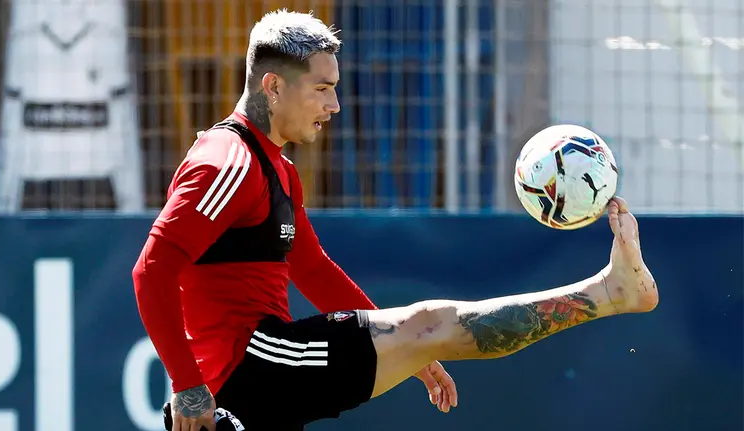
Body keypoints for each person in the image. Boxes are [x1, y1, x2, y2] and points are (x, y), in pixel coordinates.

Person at [132, 9, 659, 431]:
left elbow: (312, 269)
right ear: (272, 87)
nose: (335, 104)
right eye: (322, 88)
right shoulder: (228, 162)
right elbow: (151, 271)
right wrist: (187, 386)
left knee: (424, 331)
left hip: (257, 381)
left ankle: (607, 294)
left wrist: (412, 356)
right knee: (432, 323)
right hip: (250, 368)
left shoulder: (280, 169)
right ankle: (608, 293)